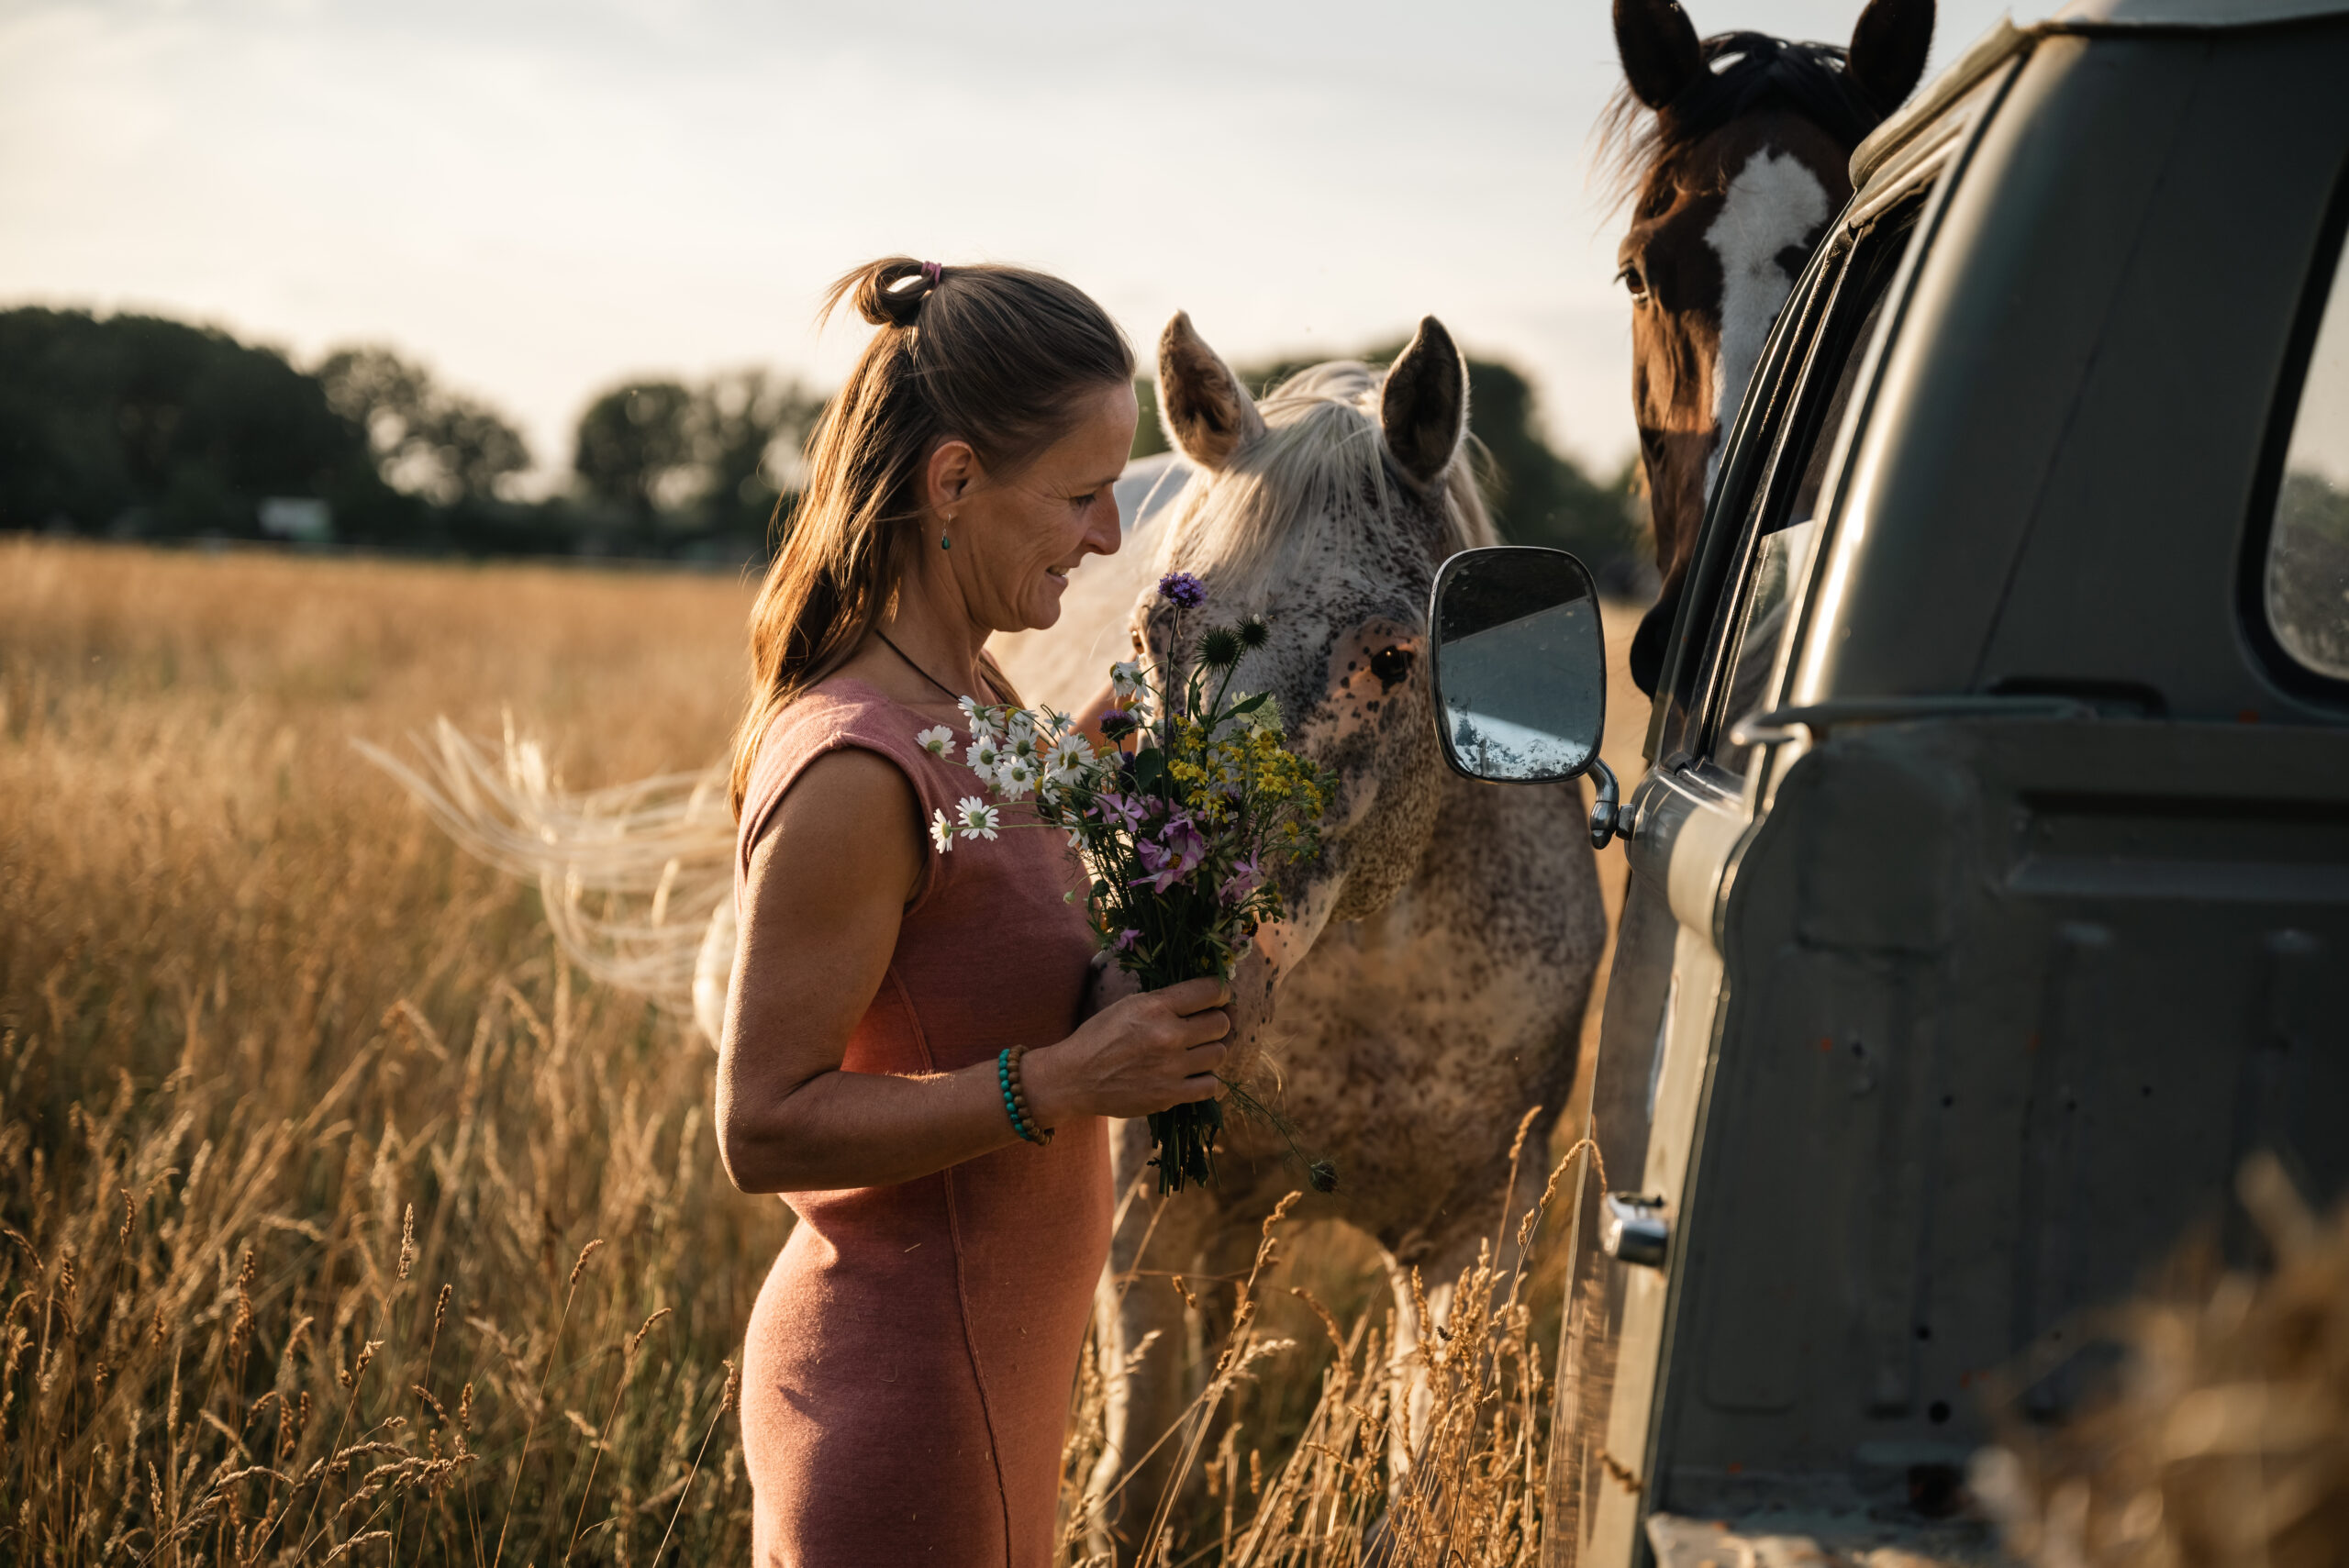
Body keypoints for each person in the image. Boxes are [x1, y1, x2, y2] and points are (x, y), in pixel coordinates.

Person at [718, 256, 1233, 1566]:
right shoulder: (851, 765)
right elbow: (764, 1124)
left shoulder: (977, 700)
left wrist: (1105, 757)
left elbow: (963, 884)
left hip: (987, 1391)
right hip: (903, 1413)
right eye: (1079, 495)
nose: (1111, 536)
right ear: (952, 483)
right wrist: (1057, 1081)